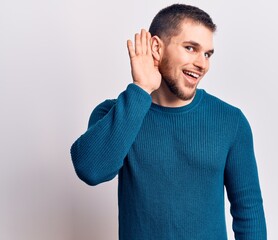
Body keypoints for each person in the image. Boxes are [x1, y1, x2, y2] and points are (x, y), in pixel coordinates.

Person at [70, 3, 267, 240]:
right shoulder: (115, 113)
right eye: (190, 48)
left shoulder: (230, 121)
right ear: (156, 47)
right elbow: (91, 170)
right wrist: (141, 89)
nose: (202, 64)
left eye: (207, 54)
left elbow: (249, 211)